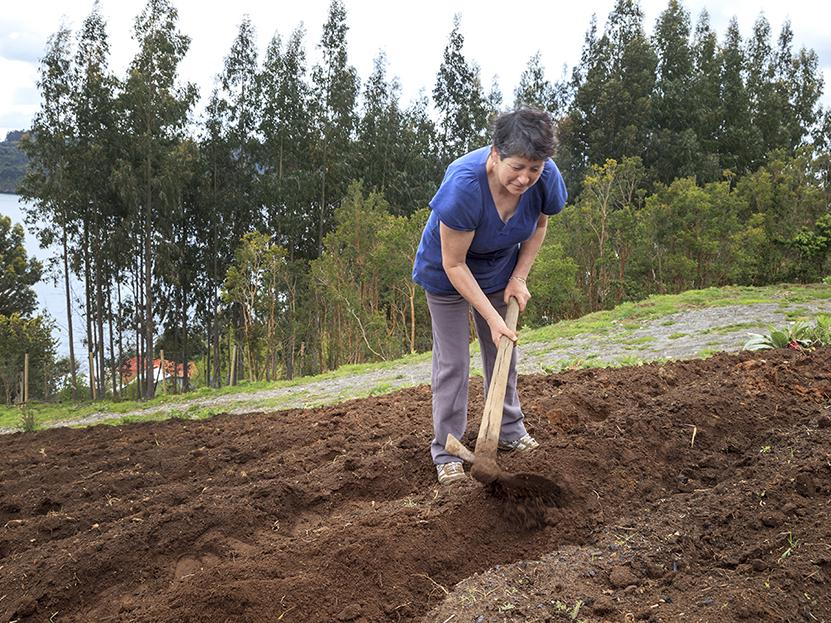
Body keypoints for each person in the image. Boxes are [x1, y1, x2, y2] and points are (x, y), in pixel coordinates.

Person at [412, 107, 568, 485]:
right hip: (449, 274)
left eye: (535, 168)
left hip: (499, 269)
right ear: (495, 153)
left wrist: (519, 276)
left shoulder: (545, 179)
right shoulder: (464, 186)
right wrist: (493, 317)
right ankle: (446, 449)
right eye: (517, 167)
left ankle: (510, 430)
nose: (526, 178)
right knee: (453, 363)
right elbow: (454, 264)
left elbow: (540, 225)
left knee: (503, 352)